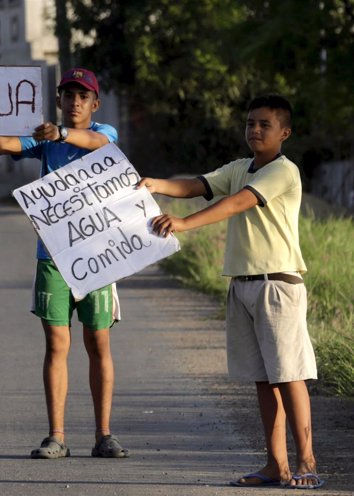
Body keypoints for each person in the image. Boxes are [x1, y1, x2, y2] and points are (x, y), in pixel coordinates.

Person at [136, 94, 324, 489]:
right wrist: (156, 184)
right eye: (250, 123)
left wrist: (184, 224)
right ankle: (276, 464)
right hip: (242, 285)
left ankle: (307, 462)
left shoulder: (283, 171)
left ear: (284, 133)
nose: (255, 130)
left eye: (264, 125)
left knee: (289, 377)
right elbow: (199, 185)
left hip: (278, 284)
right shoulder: (241, 167)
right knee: (262, 379)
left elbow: (238, 203)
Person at [0, 68, 129, 460]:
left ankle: (104, 434)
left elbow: (96, 142)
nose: (75, 101)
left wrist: (60, 134)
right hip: (53, 256)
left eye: (82, 95)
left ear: (94, 103)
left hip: (97, 256)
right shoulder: (45, 140)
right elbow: (4, 143)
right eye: (68, 94)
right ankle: (56, 436)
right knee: (56, 343)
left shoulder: (103, 134)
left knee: (98, 342)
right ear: (58, 100)